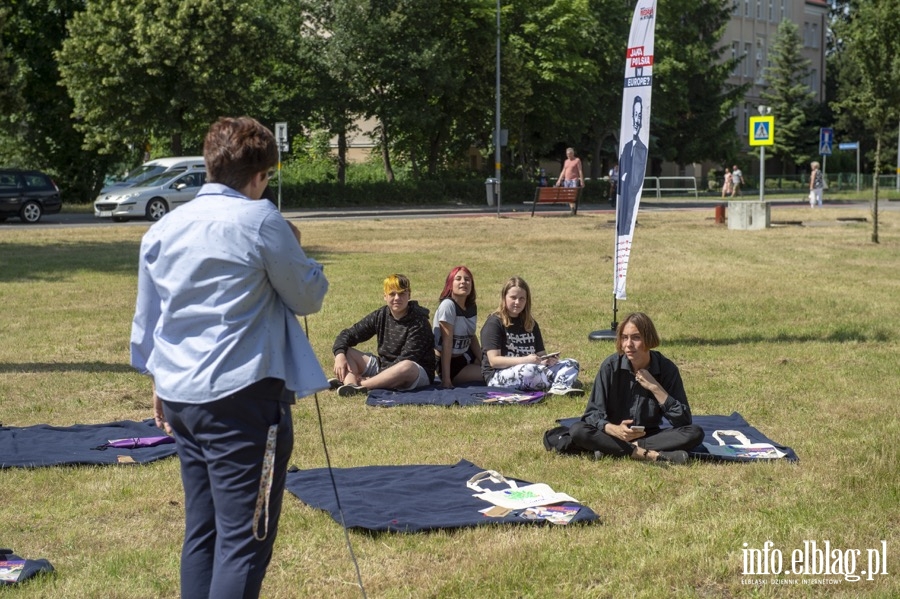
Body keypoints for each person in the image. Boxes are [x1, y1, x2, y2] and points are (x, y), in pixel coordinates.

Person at [130, 116, 329, 599]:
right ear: (260, 176)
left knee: (204, 530)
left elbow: (149, 323)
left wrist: (158, 382)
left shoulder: (164, 228)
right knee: (245, 537)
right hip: (242, 401)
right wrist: (299, 250)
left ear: (210, 165)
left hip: (180, 397)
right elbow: (307, 296)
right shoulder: (261, 219)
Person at [568, 312, 704, 464]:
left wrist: (655, 387)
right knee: (577, 430)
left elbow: (683, 421)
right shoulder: (610, 367)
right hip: (614, 434)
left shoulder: (667, 368)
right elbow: (592, 415)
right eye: (624, 338)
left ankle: (614, 450)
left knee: (695, 433)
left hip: (650, 436)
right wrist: (614, 429)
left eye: (636, 338)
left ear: (649, 339)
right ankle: (650, 455)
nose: (628, 344)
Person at [332, 274, 435, 397]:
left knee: (407, 366)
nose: (397, 298)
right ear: (385, 296)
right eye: (392, 294)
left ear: (409, 295)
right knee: (346, 351)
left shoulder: (419, 322)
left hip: (415, 373)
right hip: (384, 366)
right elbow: (349, 334)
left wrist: (373, 378)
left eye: (402, 293)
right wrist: (339, 355)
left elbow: (407, 358)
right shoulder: (380, 315)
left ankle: (362, 385)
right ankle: (350, 385)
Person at [480, 277, 583, 396]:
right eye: (513, 297)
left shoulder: (531, 324)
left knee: (571, 363)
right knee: (530, 371)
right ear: (504, 298)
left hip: (533, 370)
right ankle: (562, 381)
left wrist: (548, 360)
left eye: (522, 298)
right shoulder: (494, 323)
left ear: (526, 301)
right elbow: (494, 361)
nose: (517, 302)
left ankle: (558, 388)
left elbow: (540, 356)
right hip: (498, 375)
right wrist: (526, 360)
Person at [433, 266, 484, 388]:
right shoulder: (448, 305)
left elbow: (471, 337)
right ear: (450, 284)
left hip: (466, 355)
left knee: (496, 364)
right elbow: (447, 342)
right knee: (491, 374)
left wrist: (485, 361)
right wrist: (446, 380)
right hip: (450, 363)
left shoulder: (471, 306)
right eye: (458, 279)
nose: (463, 282)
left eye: (467, 279)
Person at [617, 95, 649, 236]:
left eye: (639, 116)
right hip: (622, 191)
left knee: (626, 222)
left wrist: (625, 180)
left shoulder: (642, 149)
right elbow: (621, 167)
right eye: (635, 115)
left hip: (630, 192)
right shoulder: (627, 146)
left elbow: (636, 179)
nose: (636, 120)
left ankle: (625, 232)